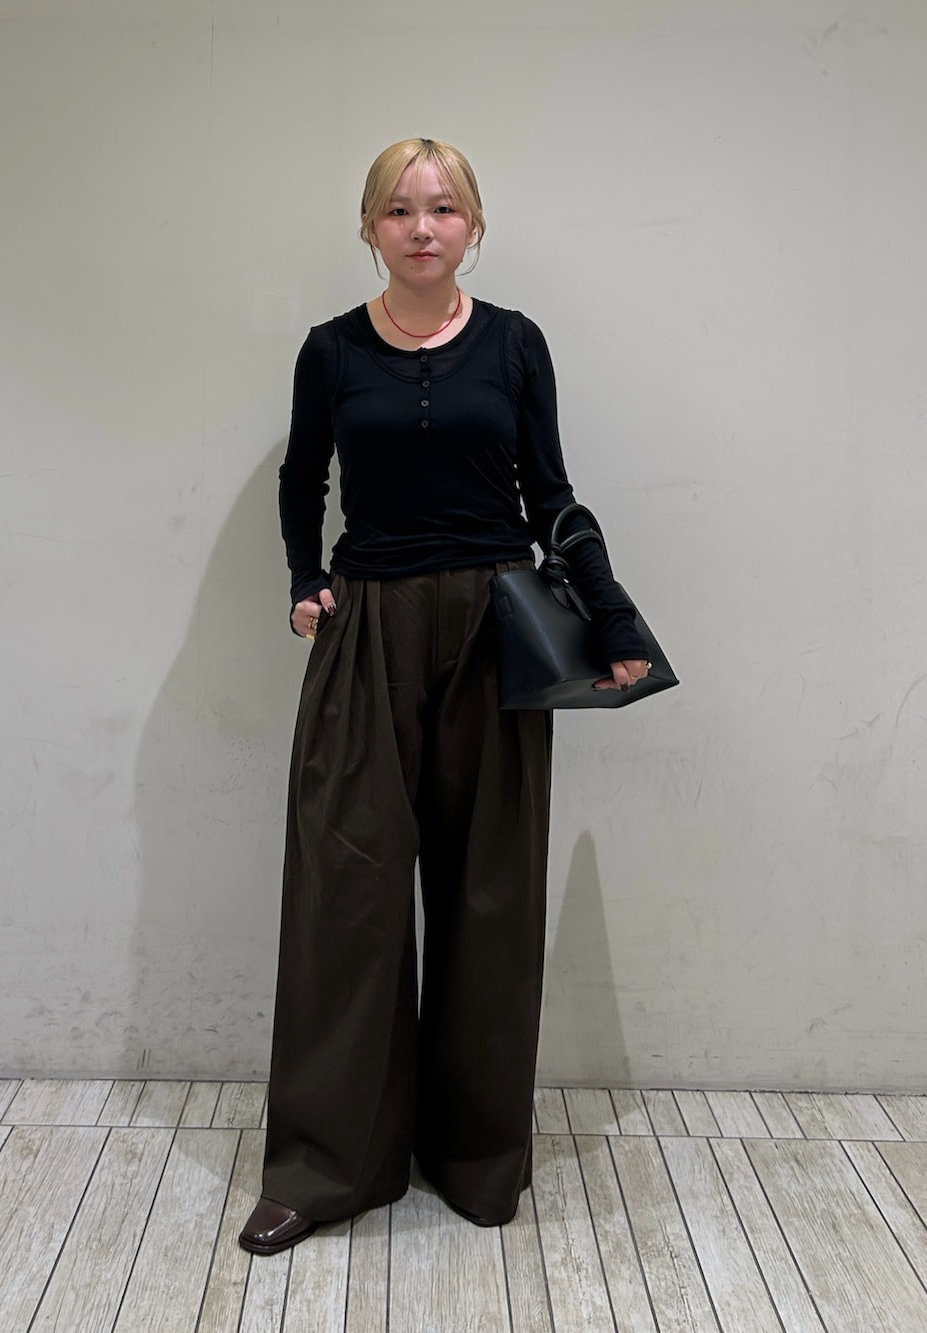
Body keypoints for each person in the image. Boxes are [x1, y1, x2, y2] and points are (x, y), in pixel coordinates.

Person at [239, 137, 648, 1256]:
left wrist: (612, 620)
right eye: (399, 210)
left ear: (473, 224)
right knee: (345, 897)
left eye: (444, 208)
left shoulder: (514, 344)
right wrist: (305, 578)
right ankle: (328, 1166)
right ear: (370, 227)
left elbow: (550, 494)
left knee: (488, 895)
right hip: (368, 625)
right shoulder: (331, 350)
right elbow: (303, 479)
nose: (422, 229)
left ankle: (474, 1153)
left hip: (492, 628)